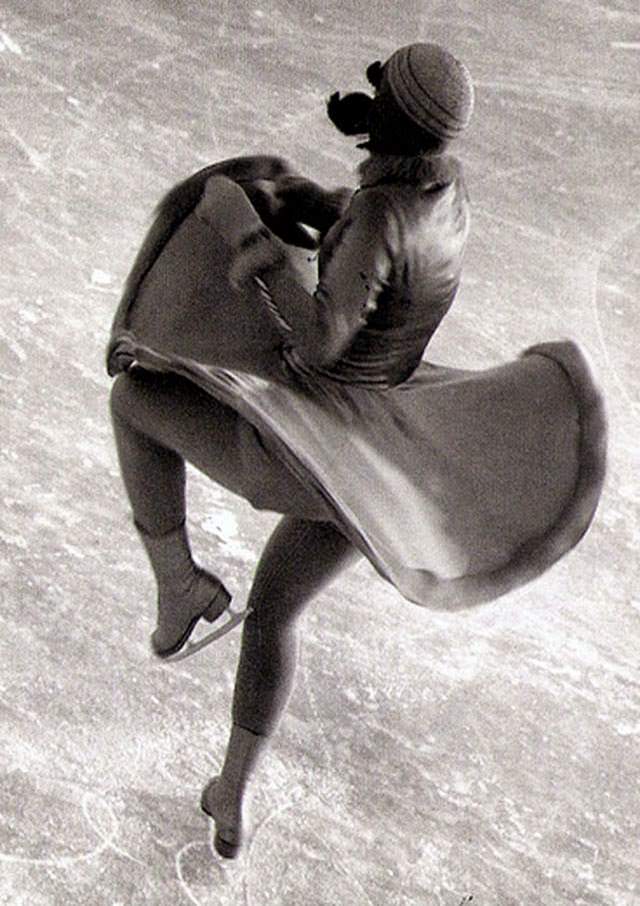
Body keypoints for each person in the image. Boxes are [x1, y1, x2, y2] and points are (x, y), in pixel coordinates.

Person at [107, 43, 606, 858]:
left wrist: (257, 247)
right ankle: (232, 794)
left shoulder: (378, 217)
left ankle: (177, 584)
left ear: (386, 118)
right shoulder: (444, 193)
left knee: (133, 397)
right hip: (384, 463)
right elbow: (389, 248)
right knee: (275, 611)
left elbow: (319, 344)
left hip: (315, 440)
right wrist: (318, 200)